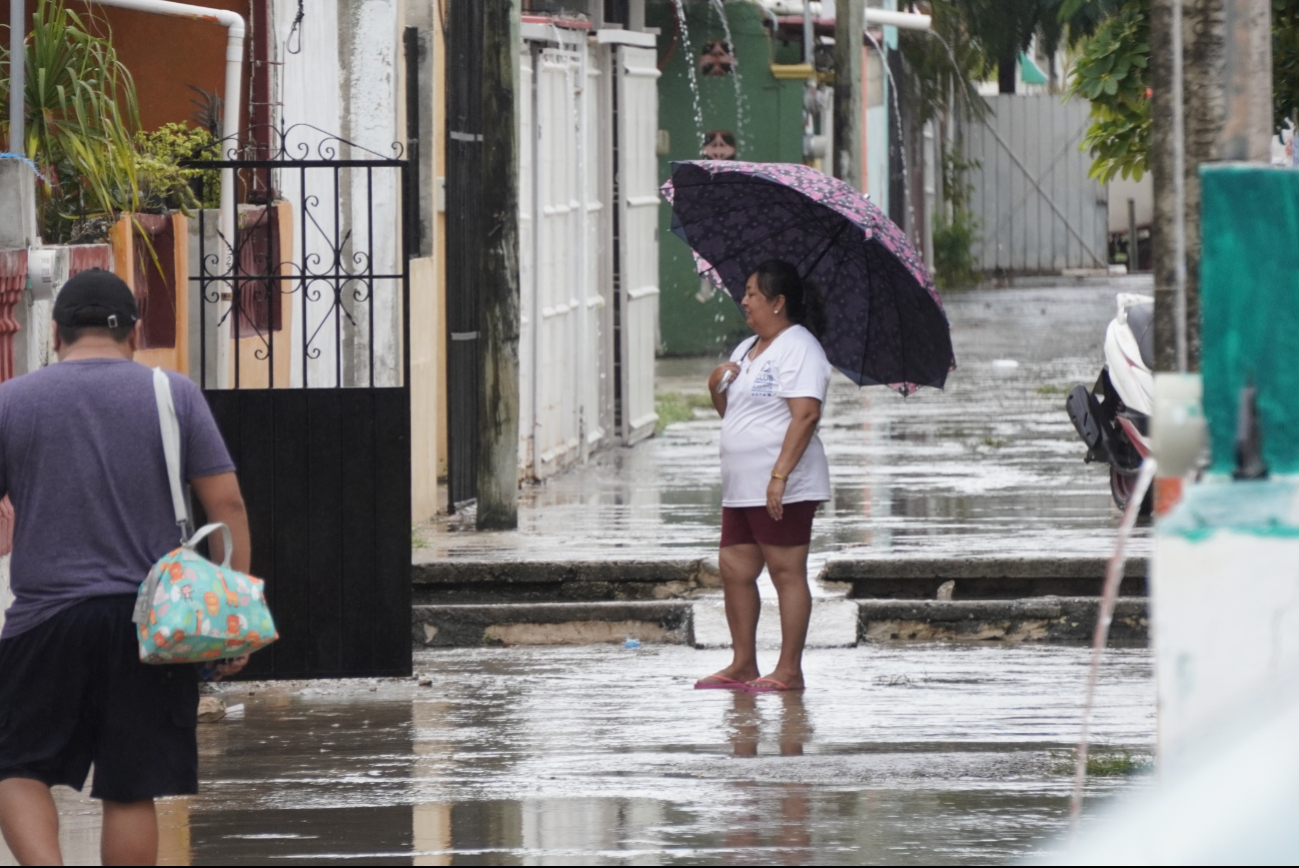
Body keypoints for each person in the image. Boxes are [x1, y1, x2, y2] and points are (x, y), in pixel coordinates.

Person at [0, 269, 252, 866]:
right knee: (131, 785)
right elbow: (228, 505)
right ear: (134, 334)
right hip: (150, 626)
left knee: (14, 764)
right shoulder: (174, 395)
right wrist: (234, 614)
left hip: (43, 620)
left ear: (55, 335)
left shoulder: (10, 402)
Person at [696, 260, 831, 693]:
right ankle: (742, 663)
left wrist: (779, 475)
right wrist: (717, 384)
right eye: (746, 292)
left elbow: (806, 414)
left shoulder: (801, 348)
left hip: (782, 485)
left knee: (785, 571)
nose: (745, 300)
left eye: (753, 293)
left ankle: (789, 670)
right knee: (735, 567)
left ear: (778, 302)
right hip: (741, 485)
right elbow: (736, 415)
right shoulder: (746, 349)